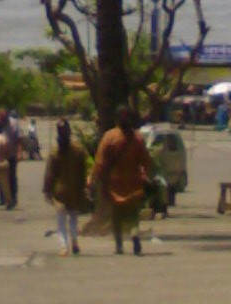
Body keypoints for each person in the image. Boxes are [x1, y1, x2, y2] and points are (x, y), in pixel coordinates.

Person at [89, 108, 152, 256]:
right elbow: (147, 161)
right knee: (133, 215)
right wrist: (144, 175)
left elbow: (100, 162)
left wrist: (93, 179)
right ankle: (134, 233)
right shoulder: (138, 139)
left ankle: (119, 245)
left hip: (114, 183)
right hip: (134, 182)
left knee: (116, 216)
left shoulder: (109, 137)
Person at [43, 119, 87, 256]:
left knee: (61, 220)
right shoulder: (79, 150)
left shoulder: (55, 151)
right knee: (73, 217)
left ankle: (63, 247)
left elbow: (50, 173)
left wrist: (47, 190)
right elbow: (83, 171)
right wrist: (83, 186)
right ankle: (74, 241)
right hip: (74, 188)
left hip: (59, 190)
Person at [5, 110, 21, 208]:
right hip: (11, 154)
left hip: (2, 154)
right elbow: (19, 138)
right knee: (12, 176)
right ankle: (12, 198)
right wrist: (19, 152)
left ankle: (5, 198)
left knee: (3, 176)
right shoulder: (15, 123)